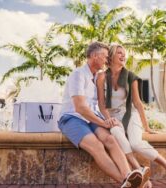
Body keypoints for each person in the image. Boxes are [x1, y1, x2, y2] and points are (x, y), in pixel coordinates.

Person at [58, 42, 142, 188]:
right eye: (105, 56)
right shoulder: (78, 74)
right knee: (96, 145)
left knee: (110, 139)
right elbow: (80, 107)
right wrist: (103, 123)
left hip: (90, 117)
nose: (107, 59)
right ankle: (127, 183)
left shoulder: (96, 76)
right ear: (94, 56)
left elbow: (100, 105)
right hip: (72, 117)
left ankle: (129, 175)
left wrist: (109, 119)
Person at [96, 44, 166, 187]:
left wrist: (146, 127)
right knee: (116, 132)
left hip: (130, 114)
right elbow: (101, 104)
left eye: (124, 54)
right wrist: (108, 119)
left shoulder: (130, 77)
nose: (123, 56)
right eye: (119, 53)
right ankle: (138, 169)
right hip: (113, 116)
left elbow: (137, 102)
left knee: (135, 143)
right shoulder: (101, 77)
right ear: (110, 56)